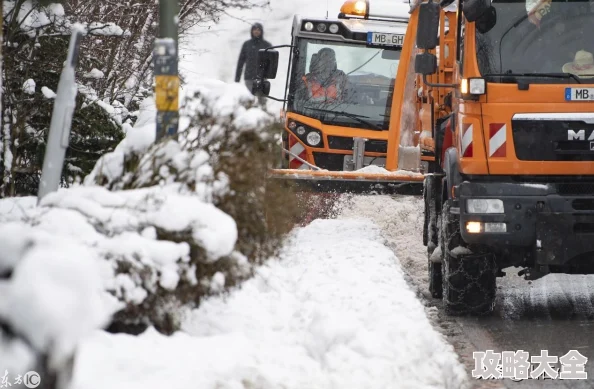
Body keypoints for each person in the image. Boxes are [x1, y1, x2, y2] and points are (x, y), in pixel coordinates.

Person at [235, 23, 272, 95]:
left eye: (258, 30)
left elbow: (272, 62)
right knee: (250, 100)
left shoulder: (267, 45)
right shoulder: (247, 44)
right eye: (254, 29)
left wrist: (268, 74)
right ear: (251, 31)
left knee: (262, 100)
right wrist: (237, 79)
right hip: (249, 77)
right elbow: (240, 62)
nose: (256, 31)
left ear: (261, 31)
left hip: (262, 78)